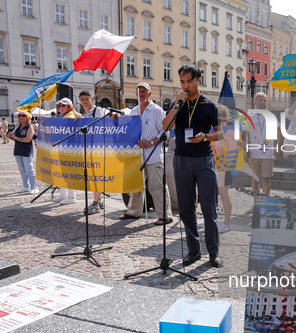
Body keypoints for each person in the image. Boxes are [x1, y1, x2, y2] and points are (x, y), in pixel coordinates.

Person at [162, 63, 224, 268]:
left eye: (189, 81)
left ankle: (213, 252)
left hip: (204, 159)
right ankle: (194, 250)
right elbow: (165, 126)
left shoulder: (209, 105)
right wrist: (175, 106)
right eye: (182, 81)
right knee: (186, 209)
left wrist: (206, 136)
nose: (185, 85)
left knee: (209, 209)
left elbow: (220, 133)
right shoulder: (178, 104)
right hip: (181, 159)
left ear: (198, 80)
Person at [121, 83, 173, 226]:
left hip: (154, 154)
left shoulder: (157, 110)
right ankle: (133, 211)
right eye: (139, 91)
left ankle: (165, 215)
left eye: (144, 91)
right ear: (136, 94)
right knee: (135, 185)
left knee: (157, 186)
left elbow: (164, 132)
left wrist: (149, 143)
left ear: (149, 94)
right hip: (137, 156)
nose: (141, 94)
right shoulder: (134, 111)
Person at [75, 90, 118, 215]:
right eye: (82, 99)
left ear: (91, 99)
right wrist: (80, 119)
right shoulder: (84, 113)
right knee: (93, 176)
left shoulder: (97, 110)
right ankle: (98, 201)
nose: (84, 101)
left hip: (98, 148)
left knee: (96, 175)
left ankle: (95, 203)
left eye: (86, 99)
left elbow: (103, 123)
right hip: (88, 148)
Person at [246, 92, 281, 196]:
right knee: (255, 178)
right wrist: (247, 146)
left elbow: (280, 133)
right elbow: (245, 132)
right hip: (254, 153)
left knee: (266, 178)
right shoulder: (250, 117)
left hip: (267, 154)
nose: (263, 102)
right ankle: (256, 204)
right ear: (255, 103)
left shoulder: (272, 117)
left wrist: (277, 148)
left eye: (264, 100)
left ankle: (265, 203)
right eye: (260, 100)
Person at [215, 104, 242, 233]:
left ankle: (227, 223)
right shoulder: (210, 126)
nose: (223, 123)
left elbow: (240, 141)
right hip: (210, 163)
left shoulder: (232, 127)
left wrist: (242, 143)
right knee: (210, 194)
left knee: (224, 193)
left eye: (225, 120)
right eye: (220, 120)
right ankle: (211, 221)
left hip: (224, 164)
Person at [52, 98, 78, 204]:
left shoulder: (70, 117)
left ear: (69, 107)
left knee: (68, 172)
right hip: (63, 148)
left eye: (63, 106)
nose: (61, 108)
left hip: (69, 149)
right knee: (62, 172)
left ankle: (72, 197)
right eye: (60, 106)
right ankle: (63, 195)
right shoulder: (63, 117)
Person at [7, 110, 38, 194]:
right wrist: (10, 137)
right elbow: (15, 137)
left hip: (26, 150)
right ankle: (26, 186)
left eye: (23, 115)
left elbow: (28, 139)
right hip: (18, 150)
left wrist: (15, 137)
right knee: (21, 169)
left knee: (29, 169)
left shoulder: (29, 127)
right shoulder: (17, 126)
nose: (21, 117)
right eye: (20, 115)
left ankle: (34, 187)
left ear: (27, 117)